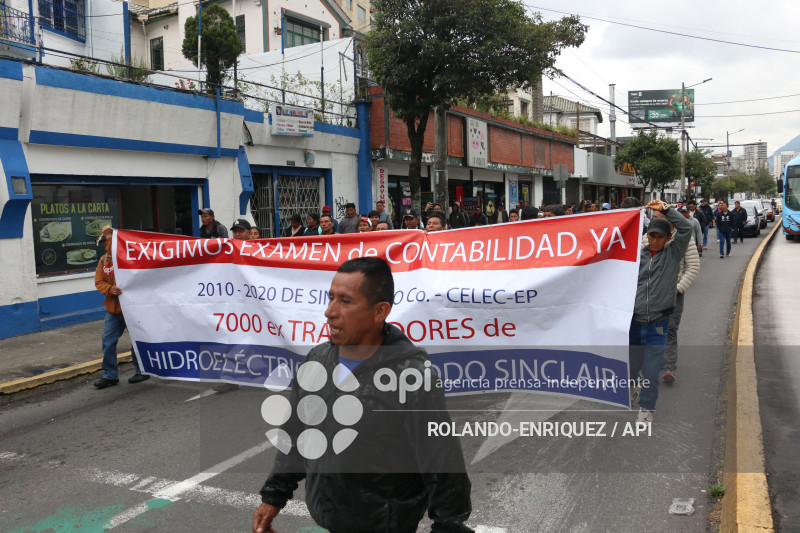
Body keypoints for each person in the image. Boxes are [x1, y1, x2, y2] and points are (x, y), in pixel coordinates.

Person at [252, 258, 474, 533]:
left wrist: (448, 527)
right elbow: (296, 433)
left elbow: (443, 463)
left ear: (380, 311)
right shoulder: (318, 359)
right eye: (331, 298)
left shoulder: (412, 377)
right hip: (328, 520)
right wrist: (273, 496)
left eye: (345, 301)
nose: (329, 312)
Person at [630, 200, 691, 423]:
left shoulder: (672, 255)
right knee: (632, 366)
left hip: (658, 323)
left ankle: (647, 408)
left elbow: (686, 228)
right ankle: (634, 383)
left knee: (652, 369)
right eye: (652, 236)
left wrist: (666, 210)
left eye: (660, 237)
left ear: (668, 238)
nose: (655, 241)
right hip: (634, 323)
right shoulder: (637, 257)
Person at [649, 210, 701, 385]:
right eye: (653, 217)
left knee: (669, 329)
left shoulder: (684, 239)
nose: (654, 219)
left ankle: (669, 367)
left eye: (658, 217)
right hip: (651, 294)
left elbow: (693, 267)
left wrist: (678, 289)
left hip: (674, 294)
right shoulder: (647, 239)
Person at [94, 225, 148, 389]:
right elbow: (99, 282)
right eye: (105, 242)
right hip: (113, 310)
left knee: (137, 340)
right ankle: (110, 375)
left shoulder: (127, 258)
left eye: (107, 241)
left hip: (132, 309)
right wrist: (110, 289)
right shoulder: (103, 261)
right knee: (107, 340)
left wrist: (110, 235)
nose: (105, 244)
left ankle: (141, 370)